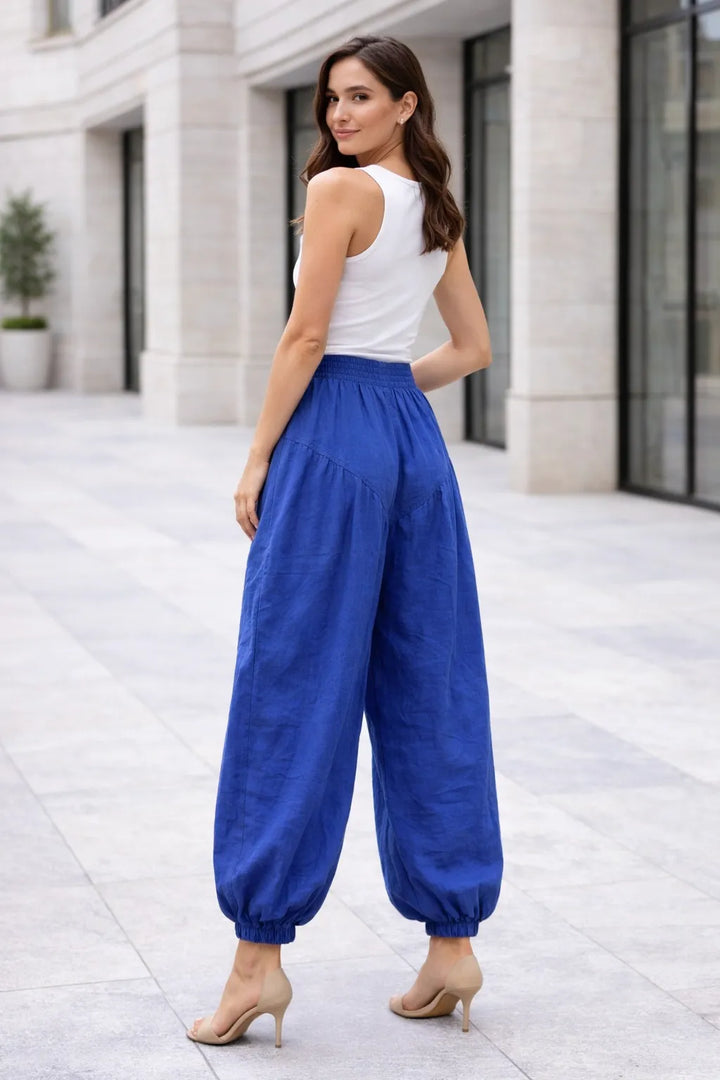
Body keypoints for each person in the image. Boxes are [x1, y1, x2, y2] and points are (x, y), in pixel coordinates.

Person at [187, 33, 503, 1049]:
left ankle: (255, 965)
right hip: (413, 446)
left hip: (330, 436)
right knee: (432, 680)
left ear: (409, 104)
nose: (340, 115)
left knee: (292, 679)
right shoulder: (438, 210)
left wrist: (257, 457)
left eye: (361, 97)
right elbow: (472, 348)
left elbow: (305, 336)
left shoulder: (339, 194)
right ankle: (452, 945)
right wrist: (389, 402)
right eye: (332, 100)